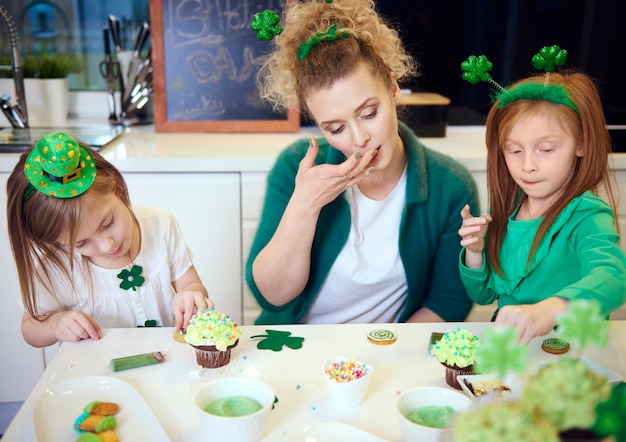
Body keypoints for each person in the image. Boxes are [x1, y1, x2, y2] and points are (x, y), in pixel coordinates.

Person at [245, 0, 480, 325]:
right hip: (298, 348)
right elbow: (271, 297)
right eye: (336, 128)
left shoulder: (449, 186)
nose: (359, 138)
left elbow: (448, 302)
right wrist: (305, 206)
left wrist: (381, 355)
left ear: (393, 89)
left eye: (369, 113)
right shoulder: (295, 167)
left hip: (385, 355)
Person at [458, 47, 626, 343]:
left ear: (582, 144)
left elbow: (613, 278)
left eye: (546, 150)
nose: (528, 166)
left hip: (570, 361)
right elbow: (483, 295)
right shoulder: (509, 209)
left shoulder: (587, 215)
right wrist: (475, 252)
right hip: (515, 355)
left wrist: (552, 310)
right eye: (515, 150)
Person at [6, 131, 213, 347]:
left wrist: (191, 295)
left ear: (118, 188)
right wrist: (55, 324)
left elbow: (191, 284)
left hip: (165, 363)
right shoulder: (57, 267)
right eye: (81, 243)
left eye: (107, 223)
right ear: (57, 242)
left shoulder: (160, 225)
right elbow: (30, 328)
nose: (107, 244)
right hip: (97, 376)